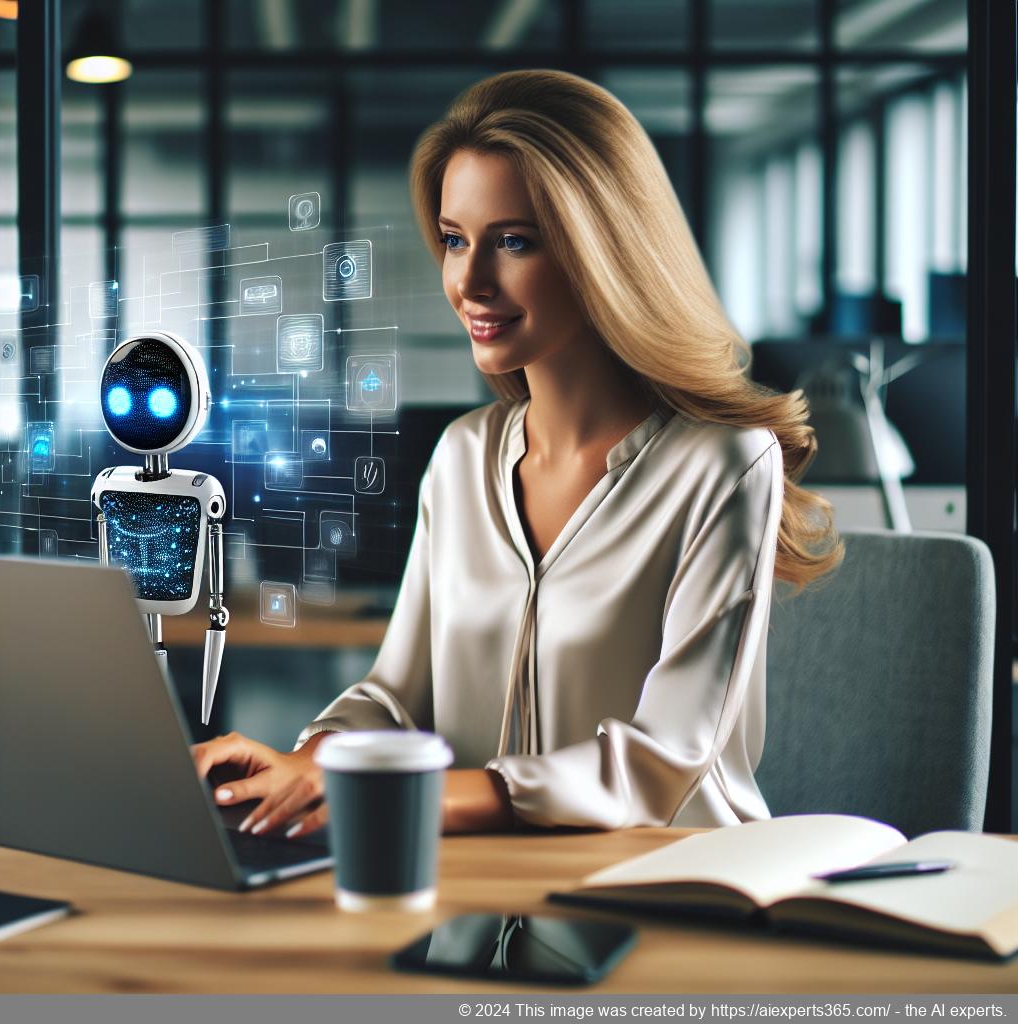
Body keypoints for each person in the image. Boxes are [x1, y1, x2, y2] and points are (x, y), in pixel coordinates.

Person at [191, 69, 843, 839]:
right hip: (467, 900)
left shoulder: (724, 467)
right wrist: (312, 761)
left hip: (662, 901)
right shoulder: (463, 456)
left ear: (603, 251)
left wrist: (406, 794)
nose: (469, 280)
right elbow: (398, 698)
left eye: (513, 241)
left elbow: (661, 759)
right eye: (454, 240)